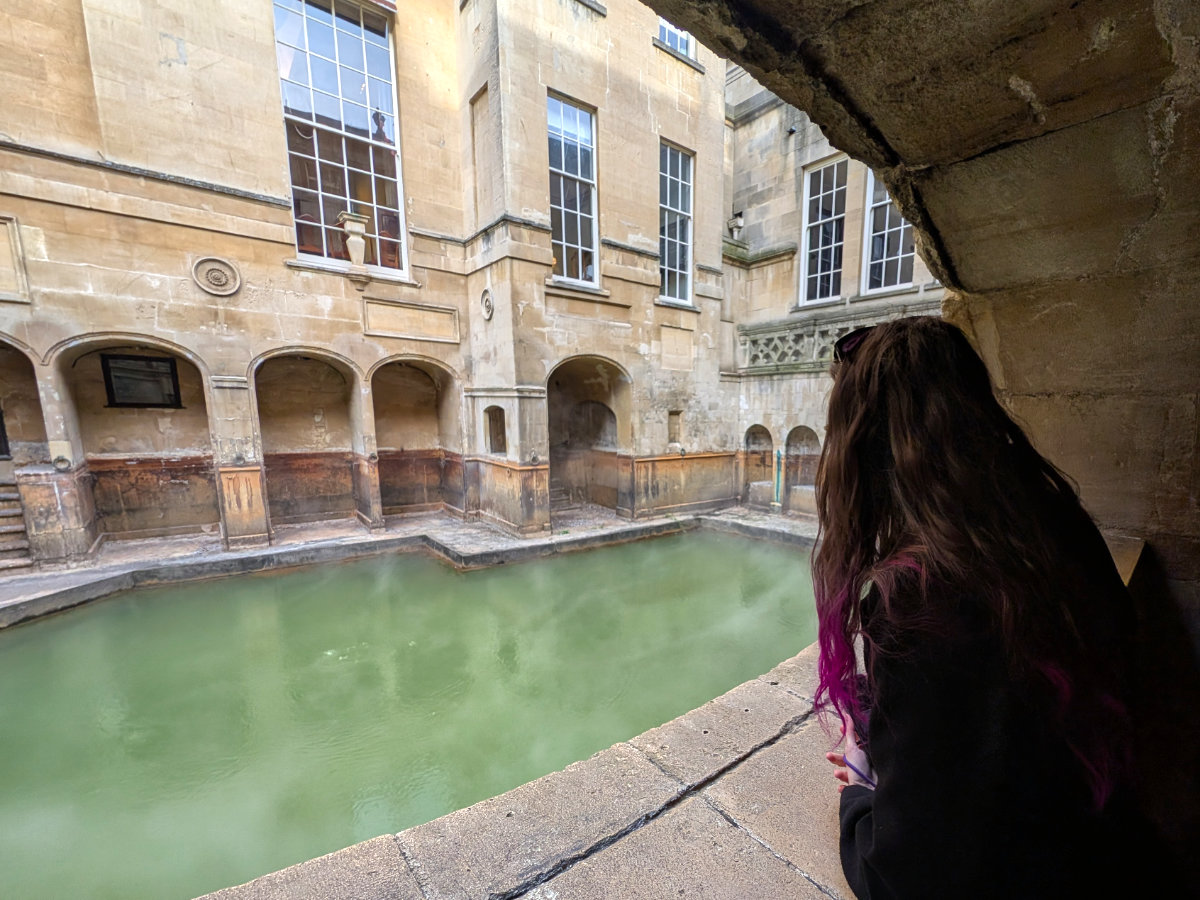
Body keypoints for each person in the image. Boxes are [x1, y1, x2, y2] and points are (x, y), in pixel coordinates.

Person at [814, 317, 1181, 898]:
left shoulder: (917, 597)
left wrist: (859, 797)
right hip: (1124, 853)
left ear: (866, 449)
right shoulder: (1055, 523)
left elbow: (906, 876)